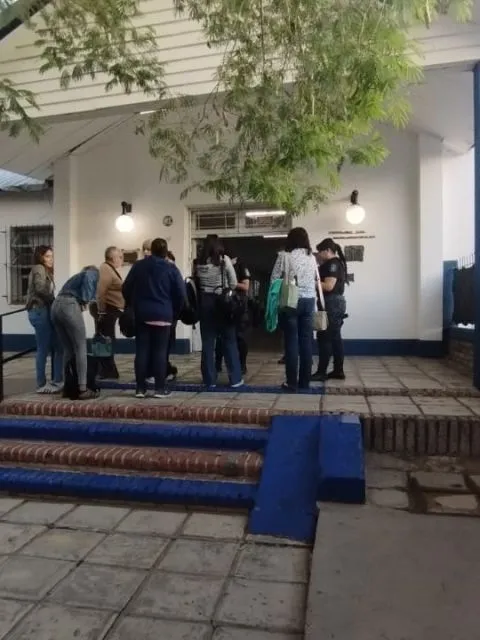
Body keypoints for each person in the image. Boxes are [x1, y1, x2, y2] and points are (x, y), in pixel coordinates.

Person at [122, 238, 186, 398]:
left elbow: (126, 287)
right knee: (160, 352)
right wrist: (174, 311)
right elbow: (181, 293)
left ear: (152, 250)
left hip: (142, 314)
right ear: (165, 251)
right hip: (164, 314)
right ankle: (159, 389)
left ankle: (140, 389)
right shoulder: (171, 268)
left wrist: (133, 303)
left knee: (142, 351)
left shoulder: (139, 266)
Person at [270, 227, 317, 391]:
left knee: (291, 341)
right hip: (309, 301)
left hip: (291, 301)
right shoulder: (312, 257)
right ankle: (305, 382)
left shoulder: (284, 256)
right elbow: (314, 278)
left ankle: (291, 383)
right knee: (306, 341)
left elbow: (274, 279)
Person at [194, 235, 243, 389]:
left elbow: (197, 283)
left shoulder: (198, 263)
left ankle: (209, 380)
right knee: (229, 341)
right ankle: (235, 379)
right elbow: (233, 283)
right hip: (223, 303)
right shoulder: (224, 260)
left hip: (205, 303)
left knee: (208, 343)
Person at [51, 266, 99, 400]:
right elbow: (87, 286)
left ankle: (68, 386)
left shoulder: (74, 279)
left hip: (55, 306)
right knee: (81, 347)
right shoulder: (92, 272)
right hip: (69, 305)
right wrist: (87, 299)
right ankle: (83, 389)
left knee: (68, 349)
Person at [26, 245, 63, 393]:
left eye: (52, 256)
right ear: (40, 257)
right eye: (47, 256)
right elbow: (40, 288)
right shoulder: (39, 268)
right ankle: (41, 384)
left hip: (44, 311)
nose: (51, 259)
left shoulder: (46, 270)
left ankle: (58, 380)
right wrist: (54, 301)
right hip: (39, 310)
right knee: (43, 348)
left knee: (58, 346)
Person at [311, 238, 348, 382]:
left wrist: (311, 282)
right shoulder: (334, 263)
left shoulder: (332, 264)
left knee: (324, 338)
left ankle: (321, 372)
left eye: (320, 252)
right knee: (335, 338)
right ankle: (338, 370)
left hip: (331, 303)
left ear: (327, 250)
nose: (319, 255)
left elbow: (328, 286)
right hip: (333, 303)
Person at [92, 246, 124, 379]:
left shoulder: (109, 269)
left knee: (107, 340)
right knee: (106, 340)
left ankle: (107, 370)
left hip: (110, 309)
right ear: (112, 258)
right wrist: (101, 312)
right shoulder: (106, 269)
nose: (122, 259)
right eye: (120, 257)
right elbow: (101, 292)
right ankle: (106, 371)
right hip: (107, 310)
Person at [215, 256, 251, 375]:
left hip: (238, 305)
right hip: (223, 305)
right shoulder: (216, 265)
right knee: (220, 338)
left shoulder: (240, 266)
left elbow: (246, 286)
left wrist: (231, 283)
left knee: (240, 337)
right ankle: (217, 364)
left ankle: (242, 365)